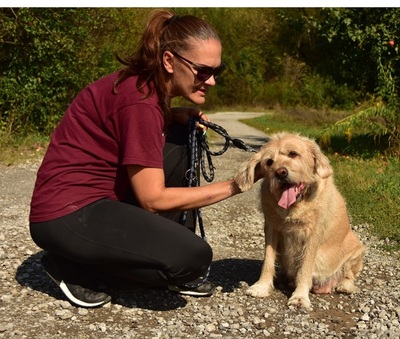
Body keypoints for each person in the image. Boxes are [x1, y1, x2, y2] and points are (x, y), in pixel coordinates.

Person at [29, 9, 245, 308]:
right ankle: (72, 265)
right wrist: (236, 185)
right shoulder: (140, 101)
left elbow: (132, 127)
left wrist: (174, 116)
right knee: (193, 258)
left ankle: (146, 251)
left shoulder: (147, 91)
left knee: (185, 135)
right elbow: (152, 199)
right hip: (66, 214)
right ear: (169, 61)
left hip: (97, 202)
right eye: (203, 71)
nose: (211, 82)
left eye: (216, 72)